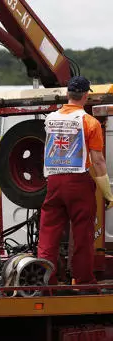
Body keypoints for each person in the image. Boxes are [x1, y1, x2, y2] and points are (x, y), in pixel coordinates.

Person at [38, 75, 113, 287]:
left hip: (53, 182)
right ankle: (83, 281)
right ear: (86, 95)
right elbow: (97, 160)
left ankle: (45, 283)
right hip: (78, 182)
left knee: (48, 234)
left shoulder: (50, 119)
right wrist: (107, 193)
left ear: (67, 94)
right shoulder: (90, 122)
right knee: (82, 235)